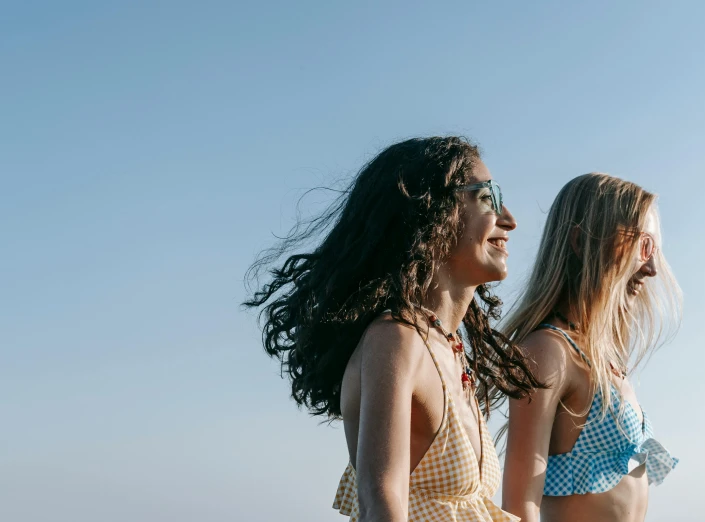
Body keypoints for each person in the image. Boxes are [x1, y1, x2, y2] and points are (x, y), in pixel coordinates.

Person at [244, 136, 542, 521]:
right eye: (489, 197)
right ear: (434, 212)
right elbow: (379, 502)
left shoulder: (448, 348)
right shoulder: (396, 339)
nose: (510, 219)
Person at [500, 173, 682, 522]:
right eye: (643, 246)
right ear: (581, 241)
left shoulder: (604, 358)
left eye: (654, 249)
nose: (652, 268)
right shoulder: (549, 351)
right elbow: (519, 505)